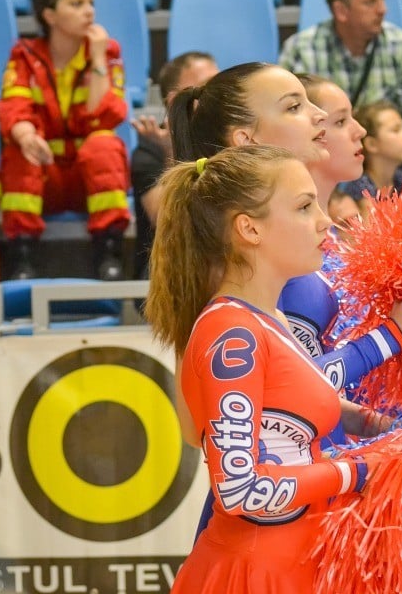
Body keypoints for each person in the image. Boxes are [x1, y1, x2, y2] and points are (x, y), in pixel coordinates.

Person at [145, 145, 378, 593]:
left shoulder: (267, 319)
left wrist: (392, 433)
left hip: (296, 566)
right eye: (304, 206)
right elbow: (239, 490)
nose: (325, 220)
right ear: (249, 228)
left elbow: (294, 435)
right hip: (254, 576)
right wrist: (359, 471)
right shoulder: (233, 335)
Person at [0, 0, 130, 280]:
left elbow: (106, 117)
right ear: (50, 15)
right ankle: (22, 257)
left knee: (104, 143)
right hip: (45, 176)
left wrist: (97, 59)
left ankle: (108, 253)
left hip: (90, 180)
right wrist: (26, 133)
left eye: (91, 2)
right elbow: (12, 106)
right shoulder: (25, 56)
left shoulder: (108, 52)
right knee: (21, 149)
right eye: (76, 3)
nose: (89, 11)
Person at [278, 0, 402, 196]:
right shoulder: (301, 49)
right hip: (330, 150)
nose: (383, 9)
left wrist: (388, 139)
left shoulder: (401, 44)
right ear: (341, 11)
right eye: (371, 2)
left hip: (388, 151)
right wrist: (346, 141)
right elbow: (287, 121)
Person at [130, 51, 218, 279]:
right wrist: (172, 152)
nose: (218, 92)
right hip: (168, 264)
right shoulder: (149, 151)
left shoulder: (230, 139)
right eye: (206, 86)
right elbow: (163, 216)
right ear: (174, 100)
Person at [341, 99, 402, 217]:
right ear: (372, 144)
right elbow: (371, 230)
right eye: (396, 130)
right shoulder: (361, 185)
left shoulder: (401, 178)